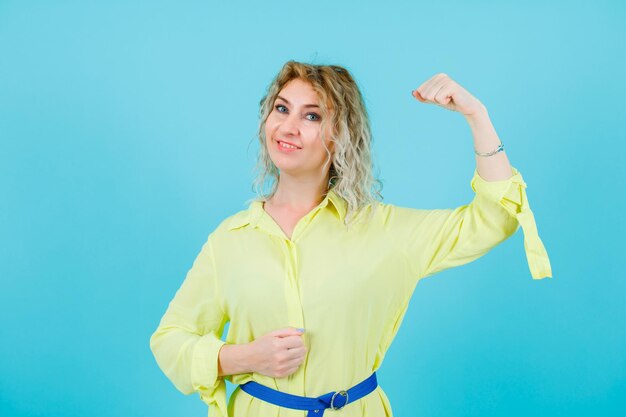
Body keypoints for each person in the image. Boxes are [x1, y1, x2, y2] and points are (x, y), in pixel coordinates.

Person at [149, 61, 552, 417]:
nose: (288, 126)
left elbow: (496, 218)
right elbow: (170, 340)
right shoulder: (230, 240)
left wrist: (476, 115)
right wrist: (242, 356)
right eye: (282, 108)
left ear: (340, 135)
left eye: (311, 116)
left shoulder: (385, 231)